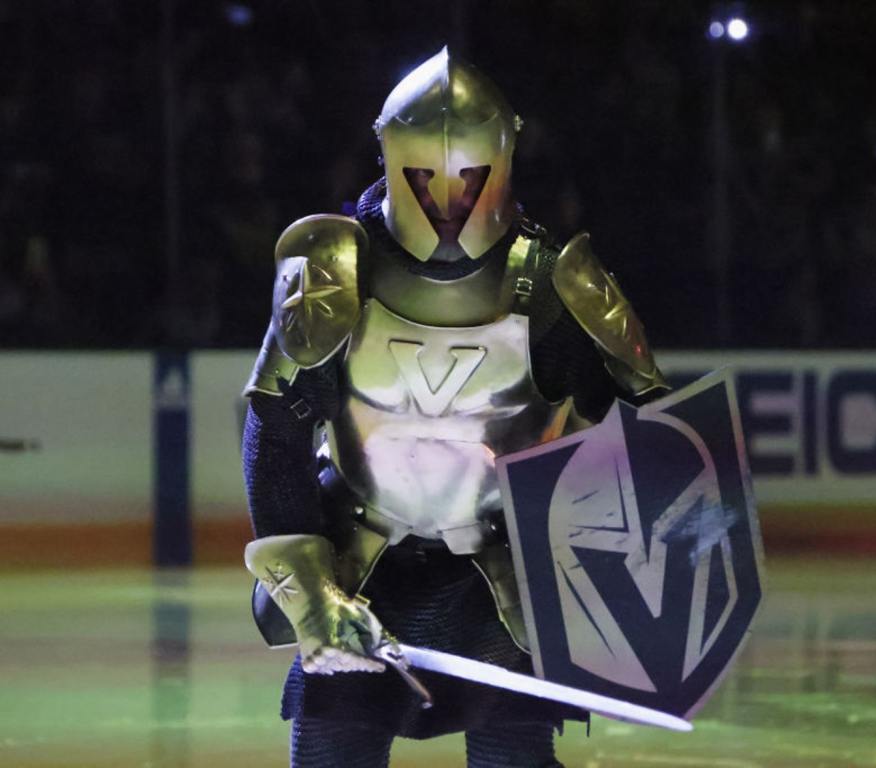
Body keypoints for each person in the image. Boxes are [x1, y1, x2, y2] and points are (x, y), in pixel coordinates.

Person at [242, 48, 668, 768]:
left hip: (502, 575)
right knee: (332, 748)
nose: (448, 202)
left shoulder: (556, 284)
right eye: (426, 179)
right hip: (359, 564)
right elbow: (274, 432)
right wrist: (313, 593)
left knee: (511, 753)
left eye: (469, 178)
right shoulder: (331, 277)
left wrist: (599, 556)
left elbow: (640, 431)